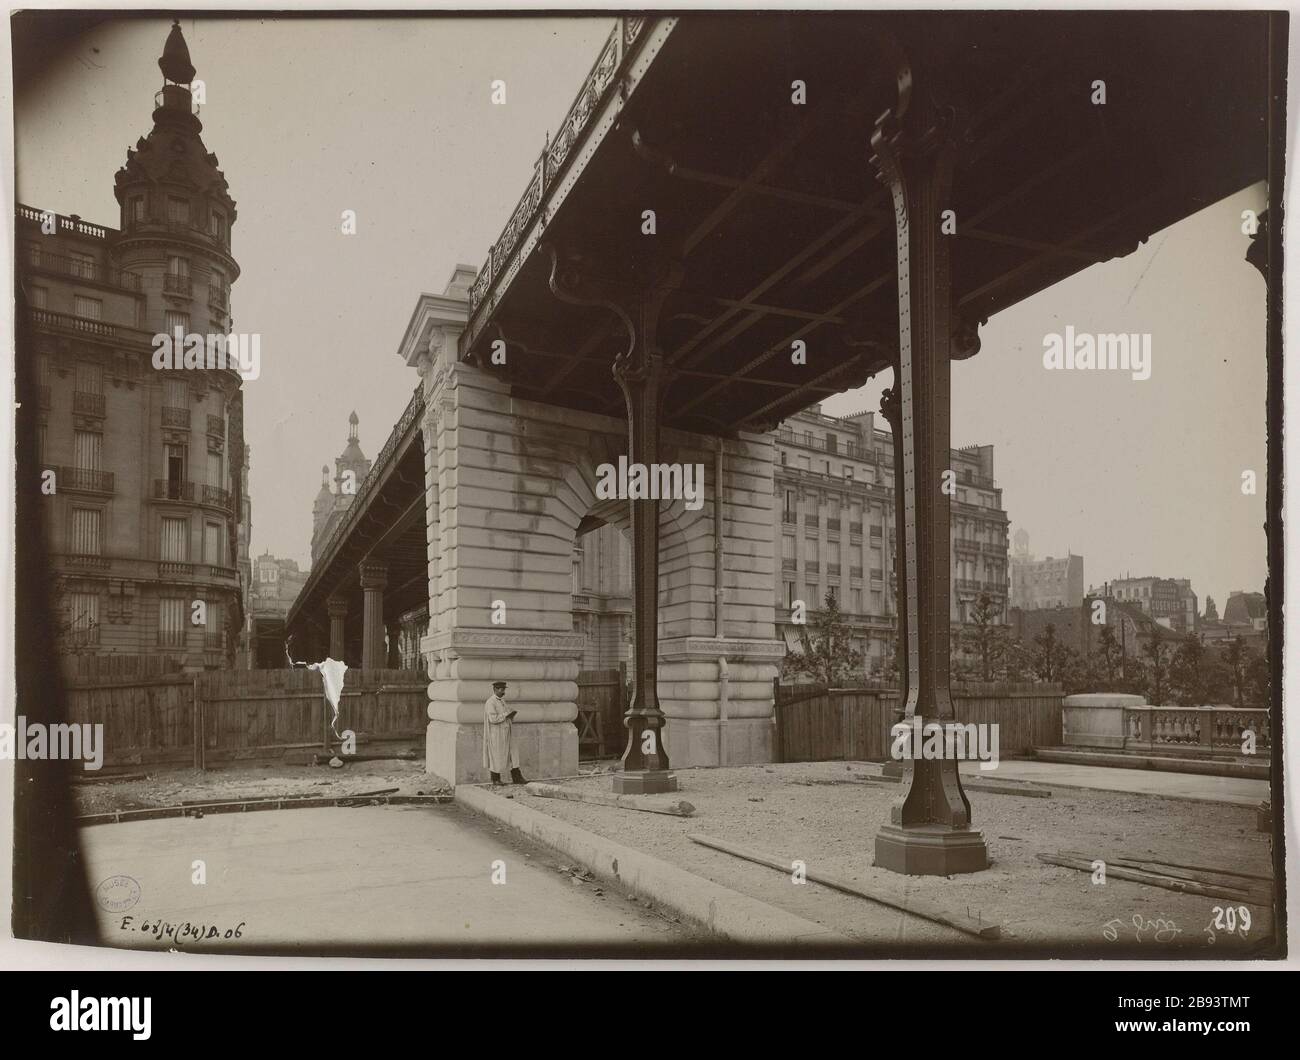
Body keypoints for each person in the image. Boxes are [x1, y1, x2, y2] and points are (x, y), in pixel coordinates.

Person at [483, 680, 527, 785]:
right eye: (501, 689)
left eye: (504, 689)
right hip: (497, 734)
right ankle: (495, 779)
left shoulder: (502, 700)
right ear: (495, 689)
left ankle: (516, 777)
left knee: (513, 753)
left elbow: (505, 713)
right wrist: (505, 715)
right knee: (496, 755)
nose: (503, 692)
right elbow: (493, 719)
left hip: (507, 731)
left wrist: (511, 715)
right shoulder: (490, 702)